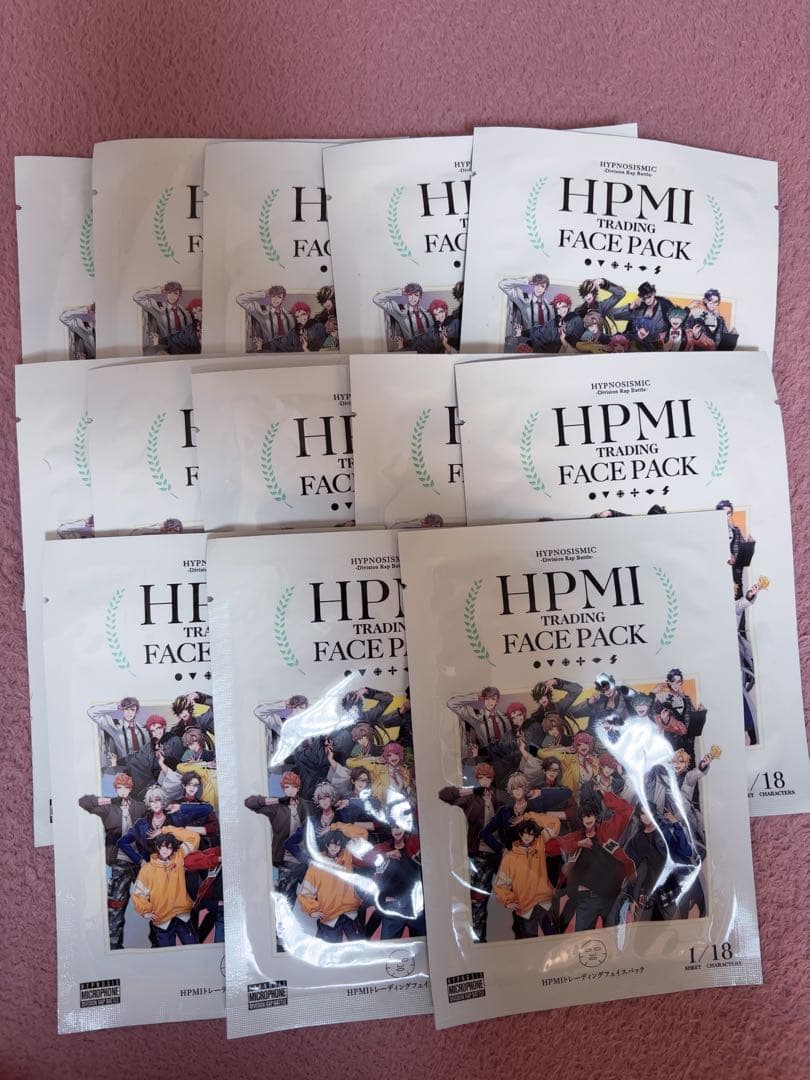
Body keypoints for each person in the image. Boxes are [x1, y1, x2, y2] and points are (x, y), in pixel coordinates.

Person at [439, 762, 508, 942]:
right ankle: (478, 939)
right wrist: (472, 790)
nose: (485, 781)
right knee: (478, 898)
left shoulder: (500, 797)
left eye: (488, 778)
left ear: (493, 779)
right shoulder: (471, 798)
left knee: (520, 890)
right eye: (481, 778)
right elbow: (445, 795)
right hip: (480, 854)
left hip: (502, 853)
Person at [546, 795, 636, 931]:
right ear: (581, 819)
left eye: (590, 815)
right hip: (589, 899)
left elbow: (626, 810)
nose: (588, 819)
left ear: (595, 816)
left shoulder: (607, 831)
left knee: (613, 938)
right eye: (584, 816)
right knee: (583, 938)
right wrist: (578, 844)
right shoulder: (577, 837)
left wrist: (606, 795)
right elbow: (550, 847)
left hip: (612, 897)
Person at [78, 774, 146, 949]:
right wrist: (111, 800)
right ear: (116, 789)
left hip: (140, 862)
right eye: (119, 787)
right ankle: (114, 945)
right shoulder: (108, 808)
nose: (123, 790)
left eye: (126, 787)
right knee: (116, 904)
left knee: (157, 898)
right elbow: (84, 802)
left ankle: (160, 942)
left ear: (130, 789)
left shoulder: (139, 807)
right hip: (119, 862)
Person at [244, 772, 314, 911]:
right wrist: (276, 800)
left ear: (298, 787)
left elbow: (323, 807)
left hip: (304, 857)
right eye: (287, 787)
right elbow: (250, 803)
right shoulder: (277, 807)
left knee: (310, 890)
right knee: (287, 893)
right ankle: (283, 920)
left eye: (293, 786)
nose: (290, 790)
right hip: (285, 857)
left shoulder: (305, 805)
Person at [130, 828, 201, 946]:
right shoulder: (147, 869)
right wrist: (145, 911)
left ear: (173, 849)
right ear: (157, 846)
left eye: (169, 847)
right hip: (163, 921)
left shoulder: (179, 858)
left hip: (182, 916)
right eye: (162, 846)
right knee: (168, 954)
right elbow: (138, 893)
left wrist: (165, 829)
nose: (165, 850)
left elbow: (194, 837)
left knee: (193, 949)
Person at [493, 815, 561, 937]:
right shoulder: (509, 858)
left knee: (555, 939)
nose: (528, 837)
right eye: (525, 833)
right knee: (530, 943)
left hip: (544, 902)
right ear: (520, 833)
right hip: (526, 907)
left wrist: (527, 816)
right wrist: (508, 901)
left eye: (531, 834)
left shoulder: (539, 844)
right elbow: (500, 884)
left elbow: (554, 823)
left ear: (535, 835)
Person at [117, 785, 214, 867]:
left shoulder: (176, 818)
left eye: (158, 800)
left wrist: (180, 807)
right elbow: (122, 842)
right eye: (151, 801)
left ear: (163, 801)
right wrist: (140, 861)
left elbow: (208, 809)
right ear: (149, 803)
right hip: (154, 871)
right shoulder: (141, 824)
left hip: (176, 866)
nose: (155, 803)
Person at [366, 803, 424, 939]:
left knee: (422, 945)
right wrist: (386, 855)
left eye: (400, 826)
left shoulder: (414, 846)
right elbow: (363, 858)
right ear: (390, 830)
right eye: (394, 827)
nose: (397, 830)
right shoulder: (384, 847)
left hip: (416, 906)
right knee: (388, 946)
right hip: (393, 907)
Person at [298, 830, 365, 942]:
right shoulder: (317, 866)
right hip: (330, 917)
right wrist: (312, 910)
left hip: (350, 913)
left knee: (359, 948)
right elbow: (306, 892)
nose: (334, 847)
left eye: (338, 845)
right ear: (327, 844)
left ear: (341, 846)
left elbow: (362, 834)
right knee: (333, 950)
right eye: (332, 844)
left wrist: (334, 826)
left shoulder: (347, 857)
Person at [87, 696, 149, 767]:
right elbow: (91, 712)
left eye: (132, 709)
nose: (129, 713)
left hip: (144, 768)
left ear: (136, 711)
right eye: (126, 709)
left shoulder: (143, 729)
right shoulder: (115, 726)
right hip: (125, 769)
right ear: (122, 709)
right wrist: (115, 706)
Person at [447, 686, 508, 759]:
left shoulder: (505, 718)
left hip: (506, 758)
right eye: (487, 698)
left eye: (493, 699)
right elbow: (452, 703)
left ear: (497, 701)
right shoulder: (476, 717)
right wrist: (476, 696)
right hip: (487, 759)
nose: (489, 702)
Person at [133, 282, 193, 352]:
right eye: (169, 293)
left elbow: (190, 330)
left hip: (184, 348)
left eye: (175, 293)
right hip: (166, 348)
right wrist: (158, 290)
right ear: (166, 293)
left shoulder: (185, 311)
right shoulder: (158, 307)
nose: (172, 296)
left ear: (179, 295)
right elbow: (137, 297)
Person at [372, 283, 434, 349]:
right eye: (410, 294)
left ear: (420, 297)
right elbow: (377, 299)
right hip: (412, 349)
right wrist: (400, 291)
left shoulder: (427, 314)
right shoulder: (400, 312)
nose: (413, 298)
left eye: (416, 295)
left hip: (429, 349)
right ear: (407, 295)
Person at [237, 285, 293, 350]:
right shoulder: (261, 311)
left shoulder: (289, 316)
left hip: (287, 351)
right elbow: (240, 299)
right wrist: (264, 293)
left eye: (279, 297)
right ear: (270, 296)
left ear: (283, 299)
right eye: (273, 296)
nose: (275, 299)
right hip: (269, 350)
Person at [498, 274, 552, 340]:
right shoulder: (523, 299)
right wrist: (527, 280)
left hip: (545, 341)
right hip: (528, 340)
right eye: (537, 284)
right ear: (533, 285)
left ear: (546, 289)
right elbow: (502, 284)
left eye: (542, 286)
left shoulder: (550, 307)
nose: (538, 288)